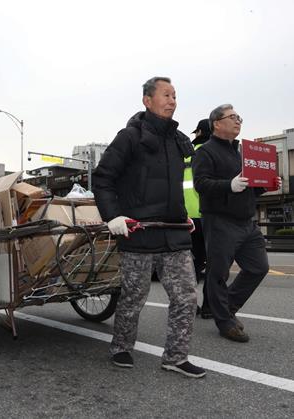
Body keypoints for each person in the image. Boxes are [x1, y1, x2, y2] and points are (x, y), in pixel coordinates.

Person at [92, 76, 205, 378]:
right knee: (133, 297)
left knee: (187, 297)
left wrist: (182, 215)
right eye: (166, 95)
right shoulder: (129, 137)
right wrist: (113, 216)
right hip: (139, 232)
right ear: (147, 100)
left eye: (175, 95)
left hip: (173, 232)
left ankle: (176, 357)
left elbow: (175, 187)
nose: (173, 101)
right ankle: (121, 347)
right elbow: (102, 178)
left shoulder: (177, 140)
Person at [192, 104, 280, 343]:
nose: (238, 120)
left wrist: (266, 185)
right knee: (218, 273)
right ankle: (225, 322)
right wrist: (227, 185)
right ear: (217, 124)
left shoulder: (242, 152)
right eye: (232, 117)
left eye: (239, 117)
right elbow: (201, 184)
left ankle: (226, 308)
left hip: (246, 221)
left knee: (258, 267)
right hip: (220, 220)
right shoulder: (205, 152)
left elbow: (249, 189)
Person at [184, 119, 211, 318]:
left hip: (184, 217)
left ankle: (189, 304)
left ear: (200, 132)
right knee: (212, 263)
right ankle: (210, 306)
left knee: (191, 263)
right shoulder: (212, 151)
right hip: (207, 214)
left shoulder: (185, 153)